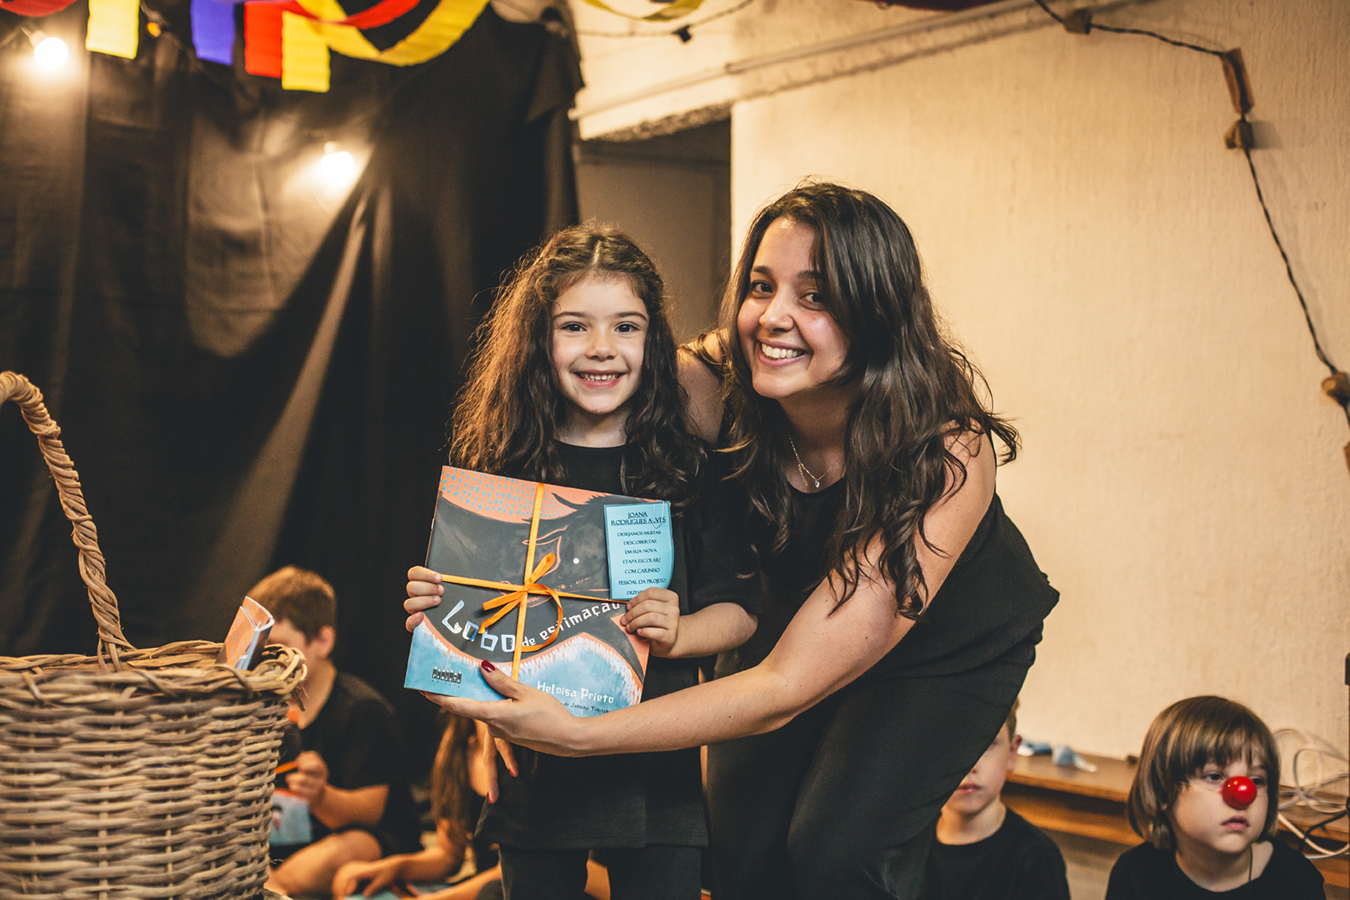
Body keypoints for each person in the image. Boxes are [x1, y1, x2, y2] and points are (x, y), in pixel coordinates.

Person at [406, 182, 1060, 900]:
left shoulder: (947, 452)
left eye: (815, 295)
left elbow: (785, 688)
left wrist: (576, 734)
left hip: (942, 649)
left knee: (834, 853)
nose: (773, 317)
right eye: (761, 285)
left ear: (876, 312)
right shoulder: (707, 382)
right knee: (738, 858)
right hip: (789, 615)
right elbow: (566, 473)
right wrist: (503, 681)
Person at [410, 223, 760, 900]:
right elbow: (470, 644)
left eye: (626, 326)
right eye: (575, 326)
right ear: (538, 339)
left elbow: (742, 611)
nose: (602, 347)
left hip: (658, 773)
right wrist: (438, 619)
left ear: (653, 339)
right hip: (536, 774)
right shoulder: (500, 469)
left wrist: (682, 631)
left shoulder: (688, 466)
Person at [251, 566, 421, 898]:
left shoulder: (362, 709)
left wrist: (321, 796)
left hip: (367, 835)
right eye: (261, 651)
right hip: (293, 838)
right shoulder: (265, 707)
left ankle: (276, 887)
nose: (266, 662)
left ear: (322, 641)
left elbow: (370, 812)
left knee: (351, 846)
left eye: (278, 648)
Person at [1105, 696, 1325, 898]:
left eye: (1256, 781)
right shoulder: (1135, 874)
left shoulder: (1296, 881)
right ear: (1162, 791)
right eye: (1214, 776)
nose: (1242, 795)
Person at [919, 699, 1070, 900]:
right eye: (952, 744)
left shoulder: (1038, 861)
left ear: (1012, 752)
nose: (970, 765)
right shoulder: (903, 848)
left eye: (987, 744)